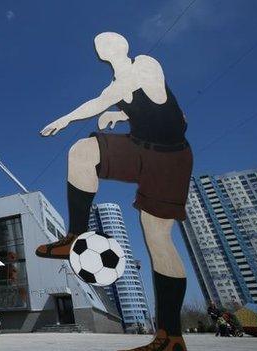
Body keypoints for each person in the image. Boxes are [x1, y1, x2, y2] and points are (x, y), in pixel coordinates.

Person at [36, 32, 192, 351]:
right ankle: (75, 237)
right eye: (99, 45)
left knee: (158, 237)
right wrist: (122, 114)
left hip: (169, 158)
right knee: (82, 152)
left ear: (122, 47)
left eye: (108, 42)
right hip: (139, 147)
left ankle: (171, 337)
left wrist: (66, 119)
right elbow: (157, 108)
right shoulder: (119, 88)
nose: (103, 47)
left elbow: (106, 100)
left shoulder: (146, 65)